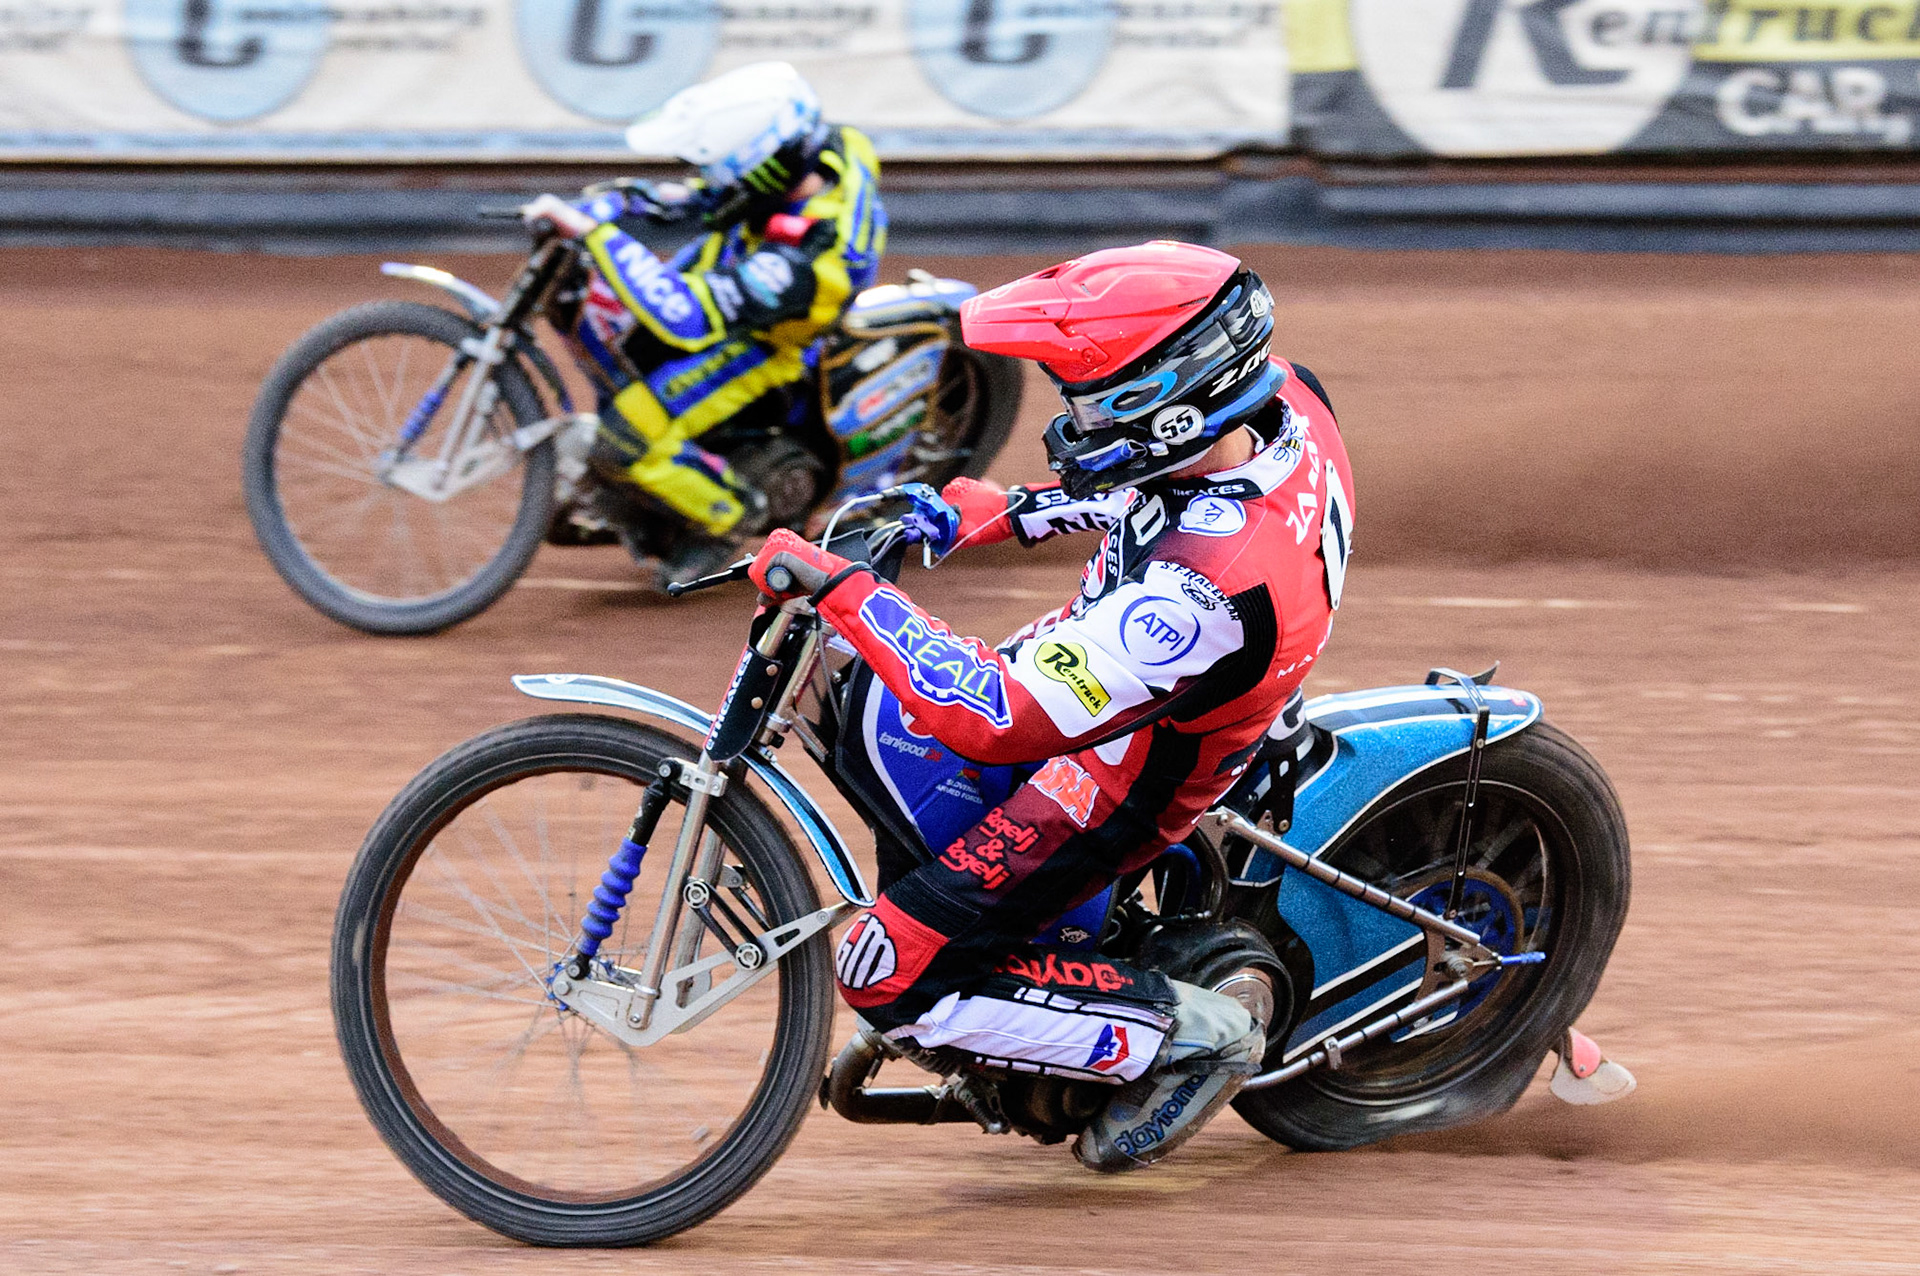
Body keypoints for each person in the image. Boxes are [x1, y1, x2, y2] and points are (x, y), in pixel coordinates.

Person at [747, 241, 1356, 1170]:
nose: (1071, 415)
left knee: (883, 970)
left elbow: (998, 715)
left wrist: (850, 594)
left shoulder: (1206, 589)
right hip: (1167, 683)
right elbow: (1146, 493)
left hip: (1116, 780)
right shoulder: (1281, 403)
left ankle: (1198, 1035)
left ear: (1173, 398)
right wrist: (983, 514)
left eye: (1092, 395)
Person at [520, 61, 887, 586]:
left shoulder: (805, 261)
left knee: (625, 436)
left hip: (774, 339)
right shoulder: (828, 148)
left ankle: (730, 516)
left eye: (718, 171)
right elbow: (697, 200)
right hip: (748, 259)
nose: (705, 181)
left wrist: (598, 235)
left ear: (766, 172)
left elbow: (686, 314)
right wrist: (612, 202)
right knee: (633, 335)